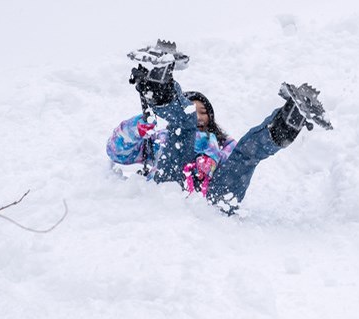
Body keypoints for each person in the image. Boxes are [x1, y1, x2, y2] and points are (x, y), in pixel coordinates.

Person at [106, 54, 323, 214]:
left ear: (211, 119)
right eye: (192, 111)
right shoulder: (163, 139)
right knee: (183, 129)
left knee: (246, 156)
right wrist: (136, 128)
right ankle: (160, 84)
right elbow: (117, 153)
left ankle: (291, 118)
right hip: (169, 189)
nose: (198, 117)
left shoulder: (223, 147)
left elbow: (237, 168)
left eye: (202, 112)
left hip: (215, 201)